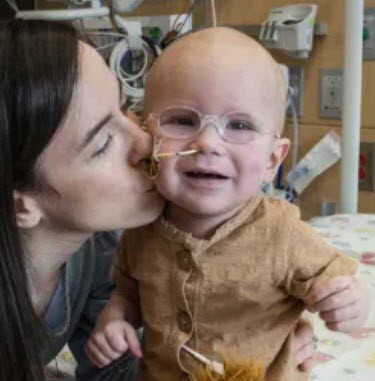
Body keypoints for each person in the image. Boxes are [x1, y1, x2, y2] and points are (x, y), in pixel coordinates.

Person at [0, 20, 319, 381]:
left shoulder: (104, 247)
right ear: (20, 205)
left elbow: (115, 370)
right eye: (103, 143)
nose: (146, 142)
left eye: (127, 110)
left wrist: (252, 342)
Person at [86, 28, 370, 381]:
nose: (207, 142)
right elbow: (129, 294)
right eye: (182, 120)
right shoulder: (141, 227)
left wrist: (350, 306)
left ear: (272, 160)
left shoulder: (282, 234)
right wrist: (115, 319)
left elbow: (339, 286)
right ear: (147, 137)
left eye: (238, 124)